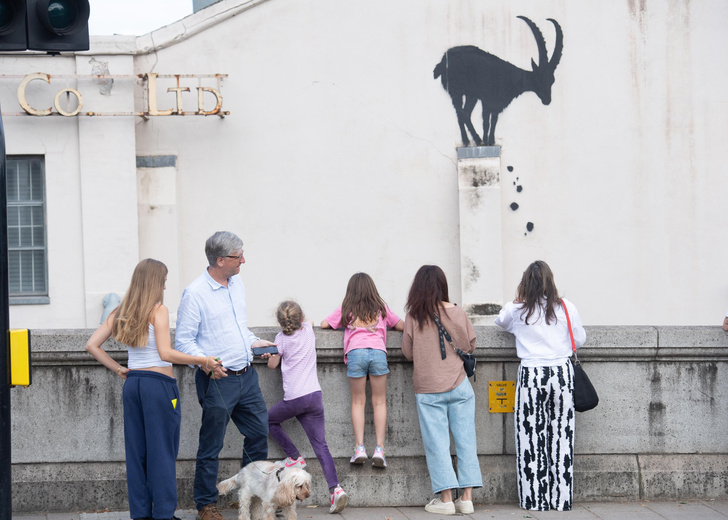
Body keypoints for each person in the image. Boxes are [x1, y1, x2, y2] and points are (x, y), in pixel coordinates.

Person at [85, 259, 221, 520]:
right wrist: (203, 360)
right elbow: (165, 353)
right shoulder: (158, 310)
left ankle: (141, 515)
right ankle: (163, 515)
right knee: (162, 452)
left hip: (133, 385)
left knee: (137, 454)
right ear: (155, 282)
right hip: (159, 388)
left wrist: (119, 369)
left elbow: (92, 345)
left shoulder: (119, 312)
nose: (165, 286)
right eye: (164, 280)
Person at [175, 231, 277, 520]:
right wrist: (206, 363)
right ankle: (206, 505)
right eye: (238, 256)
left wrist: (254, 342)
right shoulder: (195, 293)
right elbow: (183, 342)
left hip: (247, 376)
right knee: (212, 444)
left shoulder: (237, 283)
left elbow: (237, 328)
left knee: (258, 433)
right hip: (218, 380)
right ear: (220, 260)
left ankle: (250, 496)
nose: (243, 260)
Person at [494, 260, 586, 512]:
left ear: (525, 283)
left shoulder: (517, 310)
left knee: (530, 437)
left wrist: (519, 300)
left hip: (532, 374)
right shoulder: (567, 307)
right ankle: (561, 499)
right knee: (562, 436)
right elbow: (579, 338)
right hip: (561, 374)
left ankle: (534, 499)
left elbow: (499, 321)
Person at [401, 265, 482, 516]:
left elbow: (407, 352)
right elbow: (471, 344)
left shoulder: (414, 315)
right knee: (466, 440)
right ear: (442, 285)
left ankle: (446, 499)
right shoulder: (458, 312)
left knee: (437, 444)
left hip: (428, 389)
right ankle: (466, 498)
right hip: (459, 384)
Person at [267, 300, 348, 514]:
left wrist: (270, 354)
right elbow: (310, 321)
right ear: (301, 318)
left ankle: (294, 456)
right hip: (314, 396)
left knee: (269, 420)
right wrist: (304, 321)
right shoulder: (308, 331)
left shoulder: (281, 339)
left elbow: (273, 364)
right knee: (321, 446)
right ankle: (335, 490)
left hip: (294, 399)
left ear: (281, 322)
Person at [321, 272, 404, 468]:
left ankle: (359, 448)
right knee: (379, 402)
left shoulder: (347, 309)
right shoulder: (381, 308)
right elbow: (401, 325)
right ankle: (380, 450)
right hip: (378, 353)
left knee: (358, 402)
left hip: (356, 353)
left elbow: (325, 324)